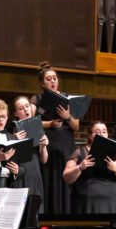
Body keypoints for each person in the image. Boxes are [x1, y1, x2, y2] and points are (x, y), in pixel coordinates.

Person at [33, 62, 80, 214]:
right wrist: (50, 124)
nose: (53, 81)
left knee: (66, 183)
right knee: (49, 182)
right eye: (49, 78)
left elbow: (76, 126)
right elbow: (32, 124)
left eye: (55, 78)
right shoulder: (37, 99)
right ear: (42, 83)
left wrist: (67, 117)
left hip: (66, 147)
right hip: (48, 147)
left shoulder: (67, 98)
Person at [63, 121, 116, 213]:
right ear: (90, 135)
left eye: (104, 131)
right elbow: (67, 177)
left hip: (114, 201)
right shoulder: (80, 152)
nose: (101, 134)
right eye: (97, 132)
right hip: (88, 201)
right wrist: (80, 167)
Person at [12, 95, 49, 213]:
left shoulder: (36, 126)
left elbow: (44, 160)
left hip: (34, 171)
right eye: (21, 108)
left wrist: (43, 146)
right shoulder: (10, 128)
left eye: (27, 106)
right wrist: (14, 140)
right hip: (19, 172)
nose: (26, 109)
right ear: (16, 113)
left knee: (35, 211)